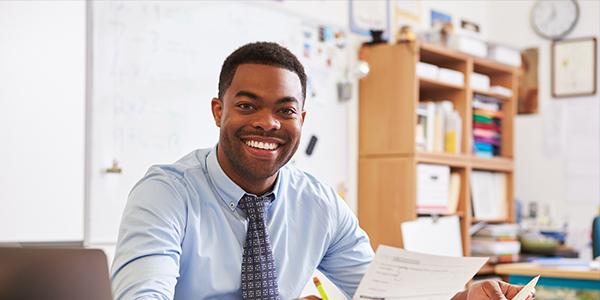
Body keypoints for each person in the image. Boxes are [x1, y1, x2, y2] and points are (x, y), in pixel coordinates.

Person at [111, 42, 532, 300]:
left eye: (285, 111)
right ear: (218, 111)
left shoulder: (319, 202)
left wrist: (464, 297)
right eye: (246, 106)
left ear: (302, 119)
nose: (268, 123)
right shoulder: (166, 193)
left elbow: (382, 293)